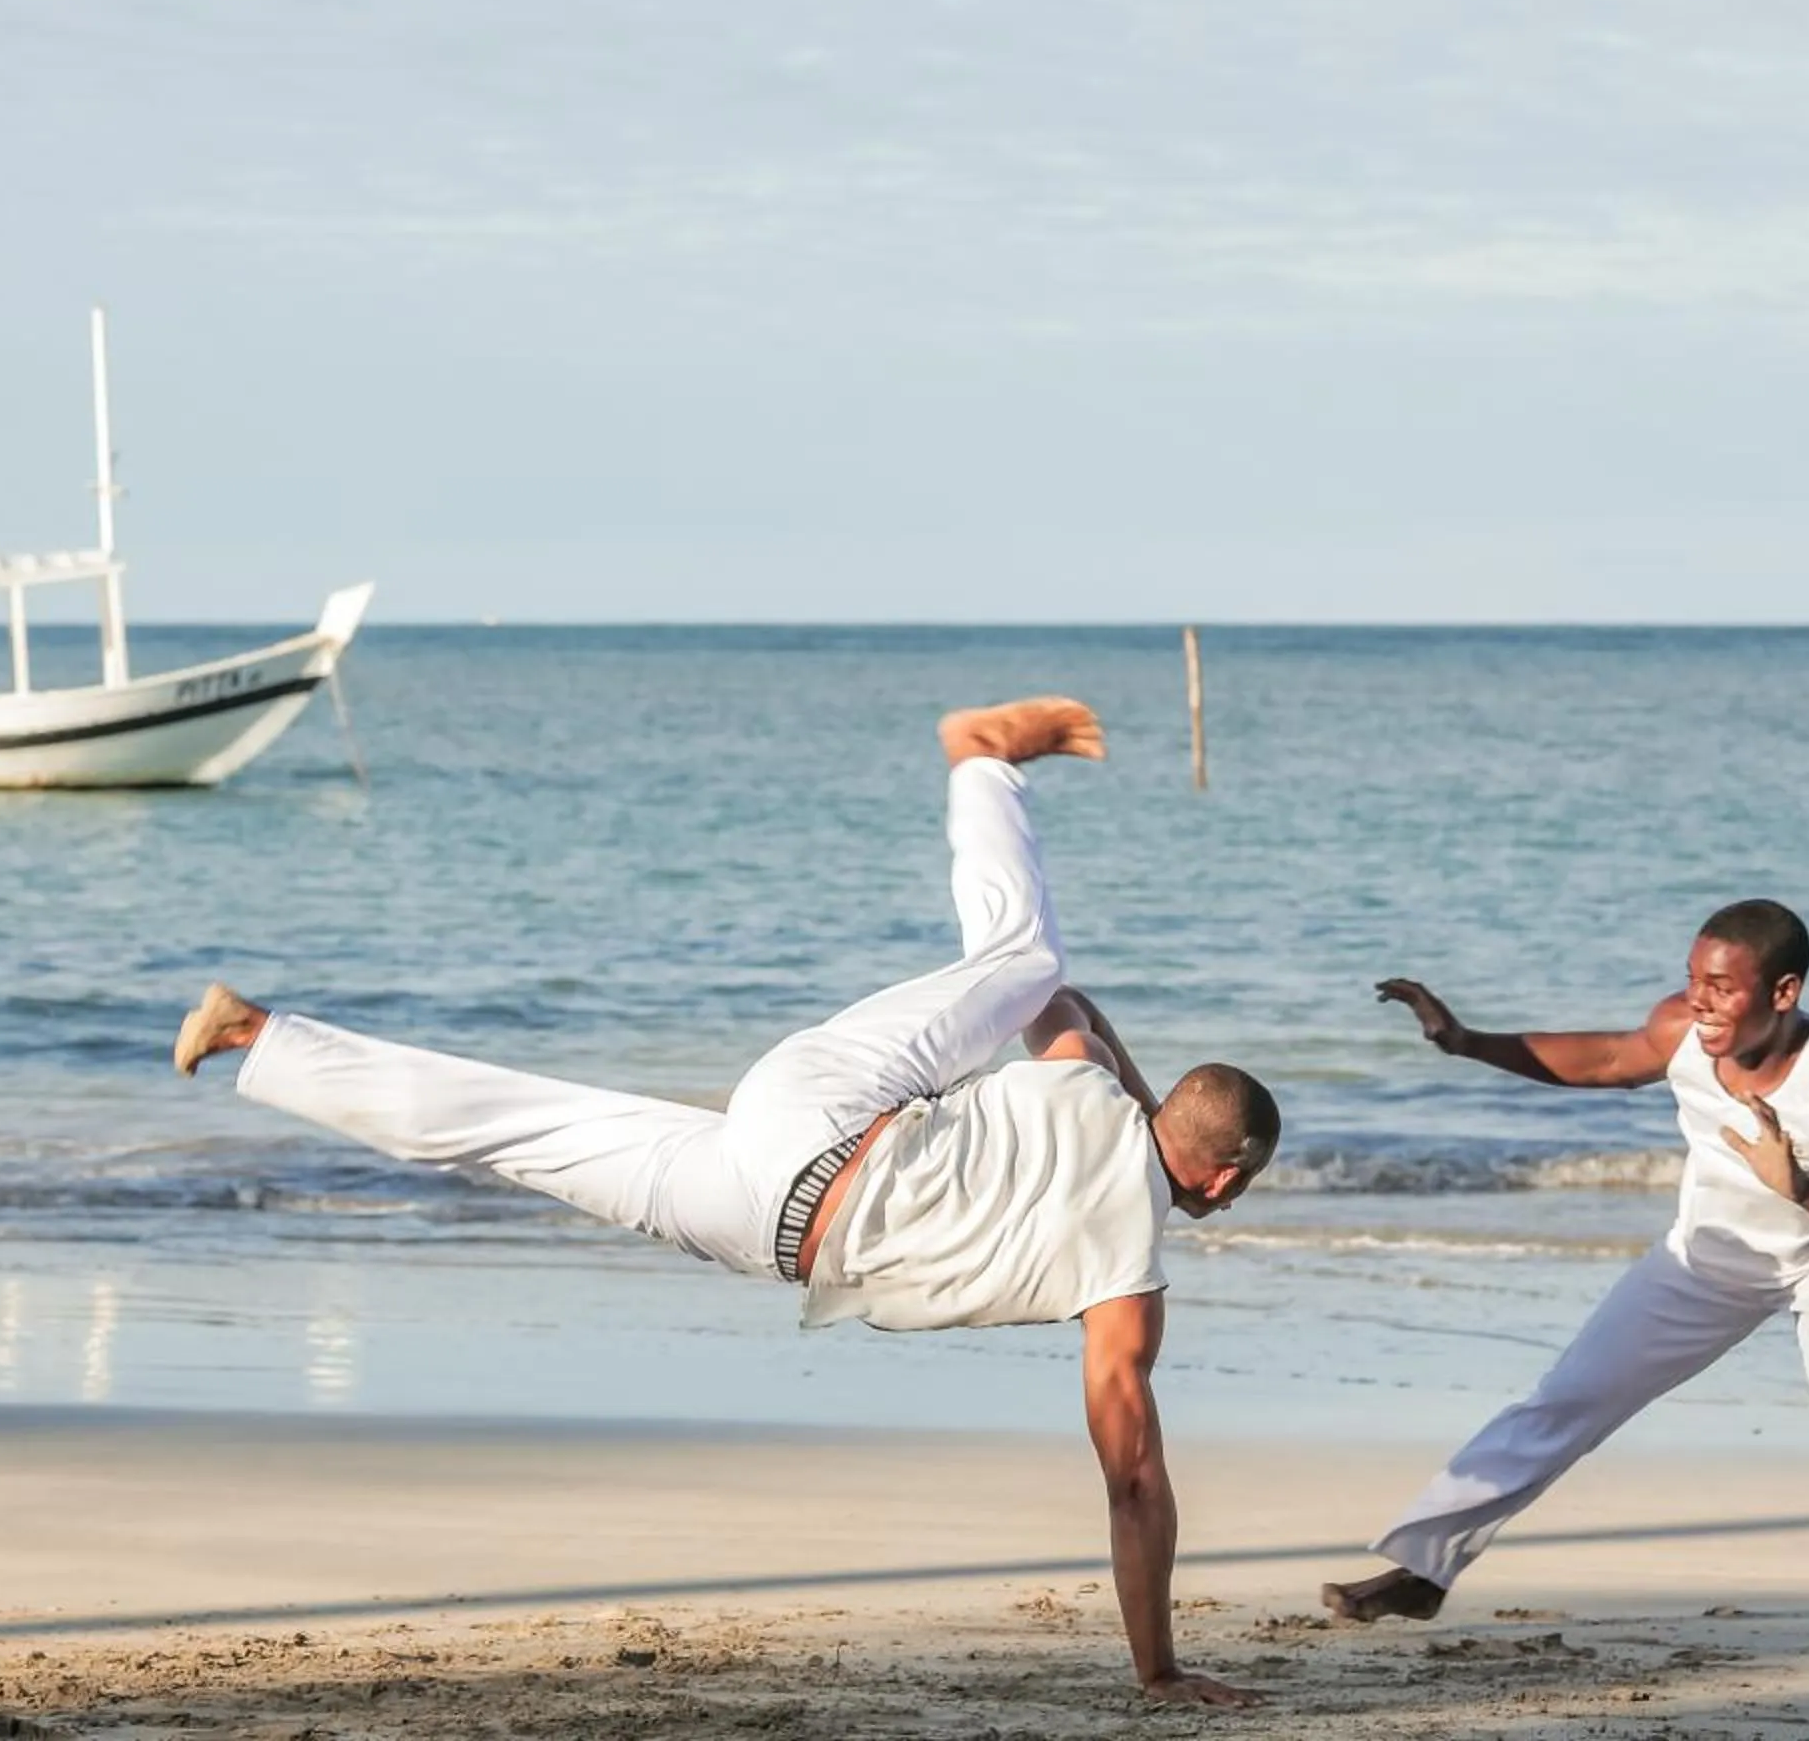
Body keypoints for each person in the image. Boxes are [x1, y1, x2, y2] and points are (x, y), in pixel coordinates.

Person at [173, 696, 1279, 1709]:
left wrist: (1134, 1095)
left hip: (806, 1129)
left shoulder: (1082, 1076)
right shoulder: (1126, 1276)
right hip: (786, 1229)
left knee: (1026, 959)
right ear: (1223, 1178)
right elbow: (1133, 1476)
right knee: (521, 1132)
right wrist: (1161, 1669)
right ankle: (977, 753)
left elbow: (1063, 1002)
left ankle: (255, 1034)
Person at [1319, 900, 1809, 1684]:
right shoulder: (1684, 1029)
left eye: (1721, 987)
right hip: (1709, 1257)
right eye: (1692, 980)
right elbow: (1605, 1059)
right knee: (1566, 1398)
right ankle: (1424, 1566)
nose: (1699, 1001)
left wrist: (1806, 1192)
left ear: (1782, 993)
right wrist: (1465, 1042)